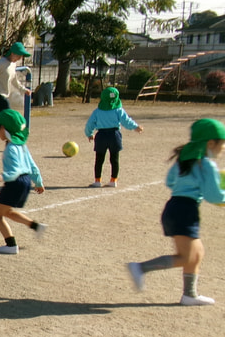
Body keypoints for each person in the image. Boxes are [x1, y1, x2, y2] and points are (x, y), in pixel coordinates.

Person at [127, 118, 225, 305]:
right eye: (223, 144)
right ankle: (140, 268)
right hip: (185, 212)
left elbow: (170, 182)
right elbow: (214, 196)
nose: (224, 148)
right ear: (211, 143)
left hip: (174, 207)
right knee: (186, 256)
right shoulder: (207, 165)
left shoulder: (184, 159)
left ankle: (190, 295)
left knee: (197, 253)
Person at [0, 109, 47, 255]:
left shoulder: (11, 149)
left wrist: (3, 176)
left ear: (5, 129)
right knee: (7, 212)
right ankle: (36, 226)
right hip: (25, 181)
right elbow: (32, 165)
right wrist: (38, 182)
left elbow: (14, 171)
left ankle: (11, 245)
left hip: (15, 182)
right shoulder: (22, 146)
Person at [84, 86, 143, 188]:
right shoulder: (118, 110)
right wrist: (135, 127)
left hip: (101, 135)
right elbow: (126, 120)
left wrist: (89, 134)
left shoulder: (97, 111)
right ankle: (113, 180)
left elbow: (90, 124)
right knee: (114, 159)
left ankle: (97, 181)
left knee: (99, 159)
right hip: (114, 135)